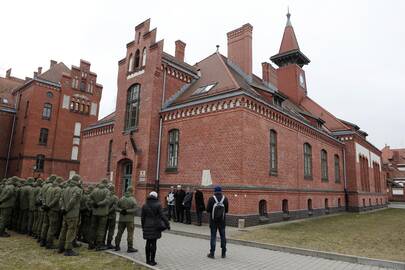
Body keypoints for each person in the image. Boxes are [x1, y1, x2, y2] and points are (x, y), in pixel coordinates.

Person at [141, 191, 170, 266]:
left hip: (147, 225)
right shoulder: (158, 204)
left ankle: (147, 260)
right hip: (155, 226)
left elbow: (142, 217)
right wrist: (167, 224)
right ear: (156, 196)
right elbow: (162, 216)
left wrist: (143, 226)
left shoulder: (144, 205)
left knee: (148, 243)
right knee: (153, 243)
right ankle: (152, 260)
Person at [58, 175, 83, 256]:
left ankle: (60, 247)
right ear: (78, 181)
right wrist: (67, 209)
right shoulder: (77, 189)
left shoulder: (65, 188)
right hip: (72, 213)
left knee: (64, 229)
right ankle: (68, 249)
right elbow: (73, 200)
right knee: (71, 230)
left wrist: (63, 208)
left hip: (65, 213)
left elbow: (61, 199)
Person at [206, 185, 228, 259]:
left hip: (213, 221)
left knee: (213, 237)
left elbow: (208, 210)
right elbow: (227, 210)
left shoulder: (211, 198)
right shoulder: (225, 199)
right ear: (221, 191)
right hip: (222, 221)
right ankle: (223, 253)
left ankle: (212, 253)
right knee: (223, 237)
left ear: (214, 191)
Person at [114, 186, 138, 253]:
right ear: (132, 191)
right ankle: (130, 248)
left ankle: (117, 246)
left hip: (121, 219)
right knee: (130, 234)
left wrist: (121, 210)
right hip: (130, 220)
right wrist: (127, 211)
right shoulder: (133, 199)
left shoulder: (121, 198)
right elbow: (135, 209)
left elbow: (116, 207)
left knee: (119, 232)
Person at [89, 179, 111, 250]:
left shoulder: (95, 190)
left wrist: (94, 203)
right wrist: (99, 204)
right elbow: (107, 200)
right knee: (101, 229)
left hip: (95, 212)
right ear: (106, 183)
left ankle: (91, 244)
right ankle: (99, 245)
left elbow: (89, 199)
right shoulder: (107, 191)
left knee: (93, 228)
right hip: (103, 213)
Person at [44, 176, 63, 249]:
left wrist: (46, 205)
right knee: (52, 227)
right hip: (53, 210)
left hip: (48, 209)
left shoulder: (49, 188)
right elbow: (56, 199)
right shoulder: (58, 189)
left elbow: (45, 197)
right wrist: (49, 206)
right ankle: (49, 243)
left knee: (47, 225)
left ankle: (44, 240)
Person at [105, 185, 118, 249]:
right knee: (111, 230)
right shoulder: (115, 197)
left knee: (104, 229)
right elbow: (114, 207)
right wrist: (109, 211)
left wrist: (106, 212)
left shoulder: (105, 196)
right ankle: (109, 243)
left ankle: (102, 242)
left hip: (105, 215)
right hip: (112, 216)